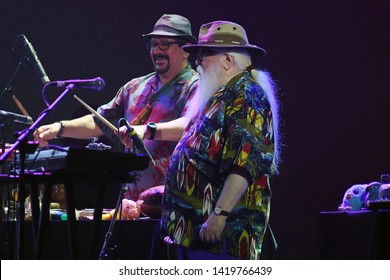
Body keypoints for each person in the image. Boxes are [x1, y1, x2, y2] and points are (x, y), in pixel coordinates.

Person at [34, 14, 199, 201]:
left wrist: (146, 130)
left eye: (165, 44)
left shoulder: (196, 86)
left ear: (186, 49)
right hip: (130, 200)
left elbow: (191, 126)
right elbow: (100, 121)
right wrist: (60, 128)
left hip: (172, 200)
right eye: (153, 44)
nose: (156, 51)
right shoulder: (134, 87)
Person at [159, 20, 281, 260]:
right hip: (196, 234)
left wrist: (219, 215)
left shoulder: (247, 94)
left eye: (204, 55)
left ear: (227, 60)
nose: (197, 62)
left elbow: (244, 164)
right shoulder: (222, 96)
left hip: (221, 239)